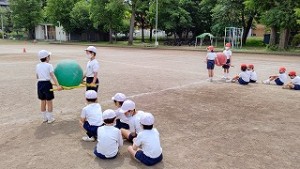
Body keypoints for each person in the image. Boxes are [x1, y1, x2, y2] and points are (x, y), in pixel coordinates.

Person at [36, 50, 62, 124]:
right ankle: (50, 119)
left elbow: (37, 76)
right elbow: (53, 76)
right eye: (49, 56)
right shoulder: (49, 65)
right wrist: (58, 85)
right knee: (49, 101)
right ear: (46, 57)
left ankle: (44, 118)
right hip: (47, 83)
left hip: (40, 84)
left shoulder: (37, 65)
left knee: (43, 101)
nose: (49, 57)